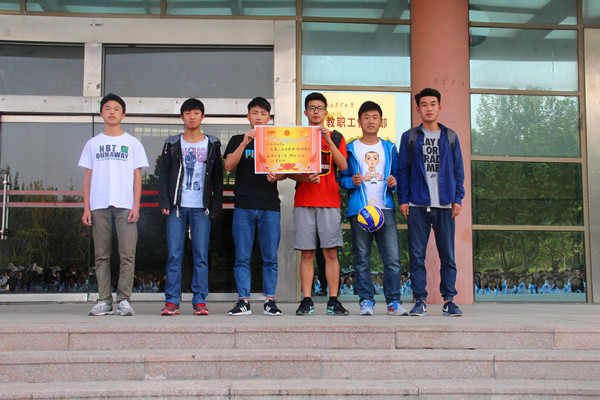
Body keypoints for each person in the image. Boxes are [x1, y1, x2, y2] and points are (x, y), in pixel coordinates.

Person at [79, 93, 149, 316]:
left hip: (125, 205)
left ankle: (124, 300)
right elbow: (88, 177)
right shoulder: (93, 143)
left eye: (116, 109)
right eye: (107, 108)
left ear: (123, 114)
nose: (112, 112)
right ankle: (104, 300)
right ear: (101, 113)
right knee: (101, 255)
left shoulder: (132, 143)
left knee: (127, 254)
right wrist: (86, 208)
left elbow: (137, 177)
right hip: (98, 205)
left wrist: (136, 206)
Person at [397, 88, 465, 317]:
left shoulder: (450, 136)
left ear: (439, 107)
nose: (429, 108)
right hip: (417, 204)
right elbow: (403, 170)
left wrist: (458, 198)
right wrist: (403, 199)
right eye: (424, 104)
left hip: (444, 204)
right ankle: (420, 300)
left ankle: (449, 300)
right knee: (417, 255)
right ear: (418, 109)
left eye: (433, 104)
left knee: (448, 255)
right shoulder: (410, 137)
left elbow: (458, 170)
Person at [338, 101, 407, 316]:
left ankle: (393, 302)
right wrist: (351, 182)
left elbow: (398, 175)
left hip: (385, 209)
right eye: (366, 117)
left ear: (381, 121)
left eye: (375, 117)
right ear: (359, 121)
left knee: (392, 259)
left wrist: (395, 183)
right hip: (361, 211)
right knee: (361, 258)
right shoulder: (351, 148)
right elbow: (342, 178)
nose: (370, 121)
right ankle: (366, 301)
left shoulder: (389, 148)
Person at [158, 98, 223, 316]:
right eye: (187, 113)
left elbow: (217, 177)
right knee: (174, 255)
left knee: (201, 254)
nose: (192, 117)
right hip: (177, 206)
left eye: (196, 113)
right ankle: (171, 301)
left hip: (201, 207)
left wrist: (215, 206)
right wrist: (164, 201)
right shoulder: (172, 143)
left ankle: (199, 300)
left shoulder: (212, 144)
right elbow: (164, 173)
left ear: (203, 117)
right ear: (182, 117)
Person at [223, 97, 285, 316]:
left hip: (270, 206)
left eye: (263, 114)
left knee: (270, 257)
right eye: (255, 113)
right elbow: (228, 165)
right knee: (242, 257)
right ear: (248, 116)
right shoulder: (236, 139)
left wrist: (278, 175)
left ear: (269, 118)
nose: (259, 117)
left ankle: (270, 301)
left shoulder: (276, 140)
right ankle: (243, 301)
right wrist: (244, 143)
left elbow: (285, 170)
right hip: (244, 206)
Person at [290, 92, 349, 316]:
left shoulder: (336, 137)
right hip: (304, 201)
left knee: (331, 253)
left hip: (329, 202)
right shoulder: (297, 137)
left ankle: (333, 300)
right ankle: (307, 300)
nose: (316, 111)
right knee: (307, 254)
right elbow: (288, 171)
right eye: (312, 108)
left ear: (326, 112)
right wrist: (305, 177)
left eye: (320, 108)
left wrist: (328, 141)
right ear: (305, 112)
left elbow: (343, 166)